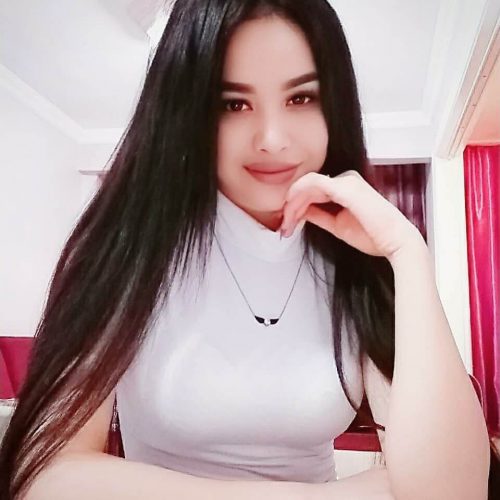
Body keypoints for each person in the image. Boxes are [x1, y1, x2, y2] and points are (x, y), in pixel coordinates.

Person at [0, 1, 497, 499]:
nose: (273, 139)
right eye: (233, 104)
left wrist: (408, 254)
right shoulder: (126, 252)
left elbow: (452, 491)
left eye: (301, 98)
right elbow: (44, 475)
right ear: (188, 113)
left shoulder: (356, 258)